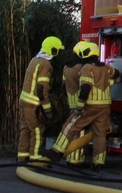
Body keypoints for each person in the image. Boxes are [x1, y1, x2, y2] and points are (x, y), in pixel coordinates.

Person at [46, 42, 117, 170]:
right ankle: (98, 163)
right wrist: (111, 81)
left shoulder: (85, 68)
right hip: (105, 106)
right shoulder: (106, 67)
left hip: (89, 105)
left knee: (70, 126)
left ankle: (56, 151)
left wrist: (79, 107)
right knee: (100, 134)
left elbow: (84, 88)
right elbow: (115, 75)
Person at [17, 36, 64, 163]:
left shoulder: (34, 60)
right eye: (57, 50)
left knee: (25, 129)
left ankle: (22, 155)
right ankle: (35, 156)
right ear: (53, 50)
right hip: (33, 103)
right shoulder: (45, 64)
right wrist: (47, 109)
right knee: (37, 130)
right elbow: (41, 88)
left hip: (24, 101)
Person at [58, 41, 96, 167]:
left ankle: (69, 156)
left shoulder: (66, 67)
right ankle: (75, 160)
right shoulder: (82, 68)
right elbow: (87, 87)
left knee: (71, 130)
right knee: (80, 132)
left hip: (71, 103)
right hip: (81, 104)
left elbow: (63, 86)